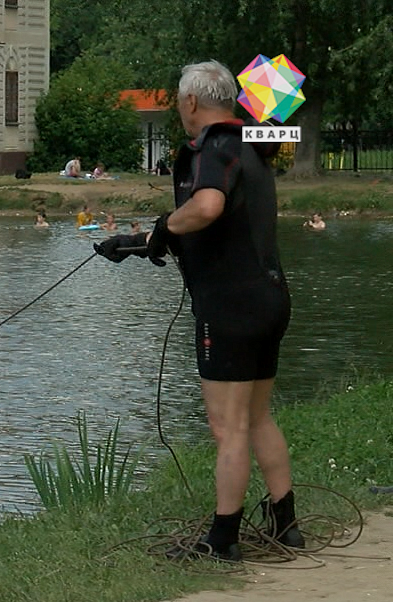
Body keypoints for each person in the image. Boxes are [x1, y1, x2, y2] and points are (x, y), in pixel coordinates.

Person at [93, 60, 302, 561]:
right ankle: (287, 526)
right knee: (256, 417)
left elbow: (206, 207)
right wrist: (146, 240)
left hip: (229, 306)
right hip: (269, 296)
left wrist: (165, 225)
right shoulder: (255, 141)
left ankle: (223, 541)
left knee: (226, 427)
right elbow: (222, 220)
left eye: (179, 104)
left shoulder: (215, 147)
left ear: (190, 102)